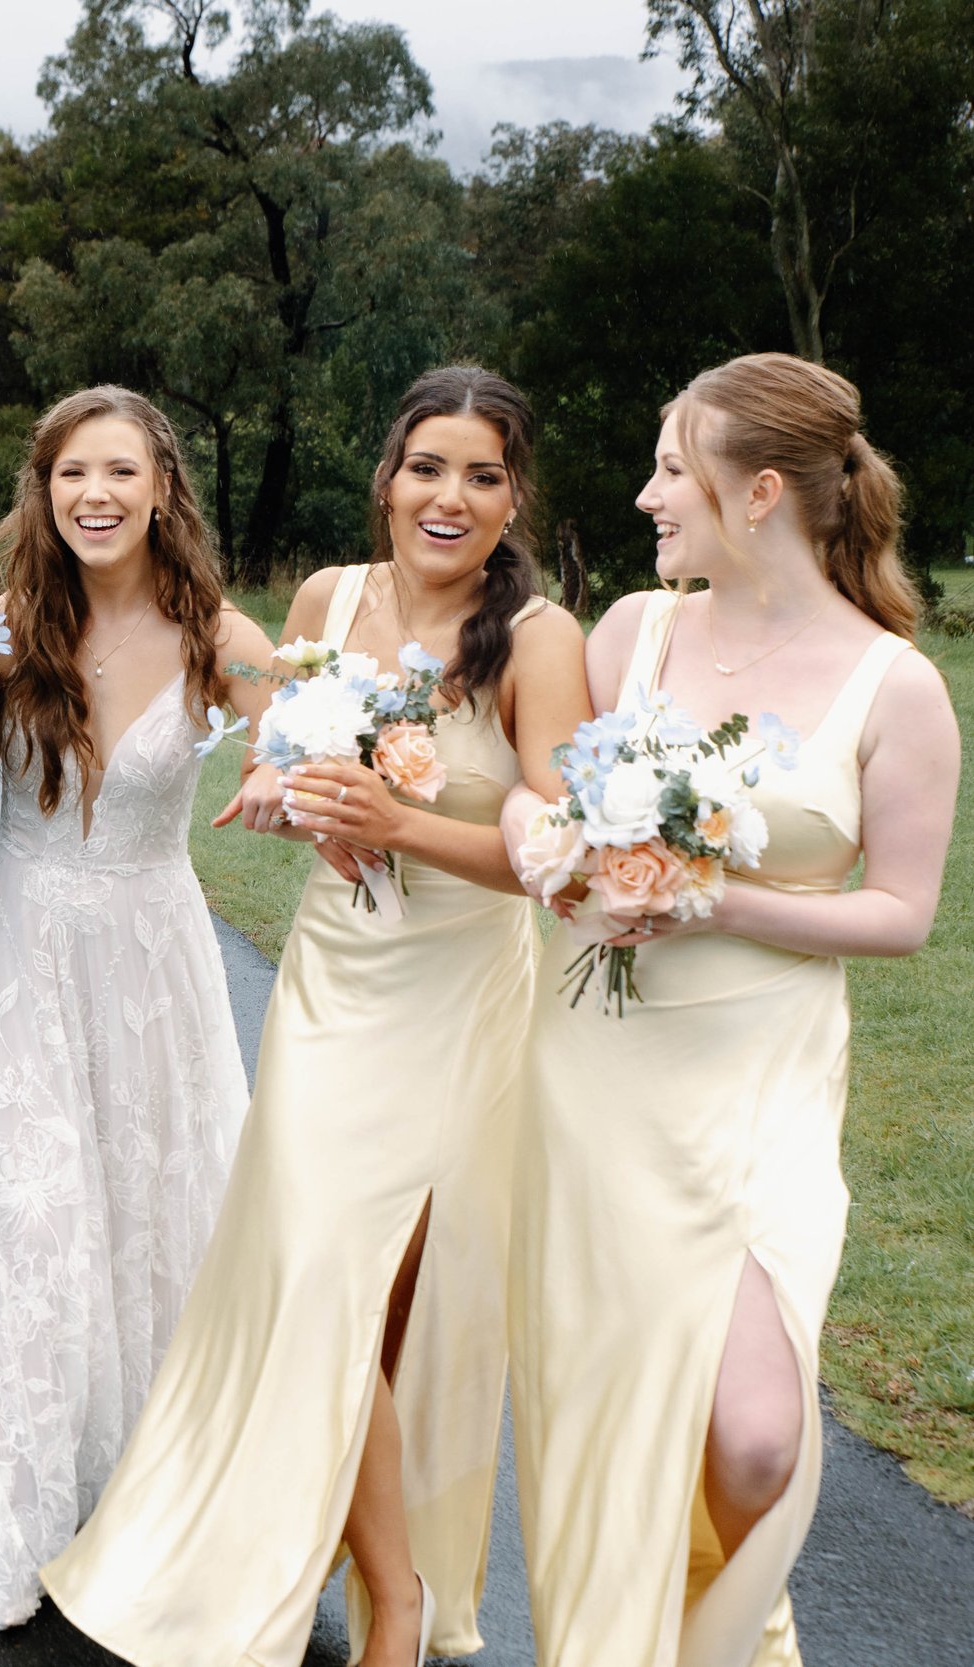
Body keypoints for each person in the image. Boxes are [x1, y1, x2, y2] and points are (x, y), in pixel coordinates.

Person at [44, 367, 593, 1667]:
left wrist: (399, 819)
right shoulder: (326, 600)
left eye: (481, 475)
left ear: (515, 497)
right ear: (388, 475)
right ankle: (390, 1594)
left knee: (389, 1303)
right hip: (333, 987)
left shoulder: (540, 639)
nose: (447, 496)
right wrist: (286, 795)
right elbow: (295, 760)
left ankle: (381, 1573)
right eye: (426, 467)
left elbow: (566, 857)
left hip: (462, 998)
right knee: (316, 1275)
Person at [501, 353, 956, 1665]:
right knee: (618, 1422)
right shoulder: (633, 632)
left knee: (755, 1434)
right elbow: (541, 800)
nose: (648, 495)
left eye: (668, 469)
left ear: (759, 493)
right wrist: (571, 859)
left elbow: (902, 911)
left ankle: (724, 1638)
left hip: (761, 1080)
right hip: (602, 1067)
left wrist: (716, 899)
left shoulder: (895, 686)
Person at [0, 385, 277, 1627]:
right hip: (22, 943)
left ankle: (148, 1480)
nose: (94, 495)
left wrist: (290, 777)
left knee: (155, 1201)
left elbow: (304, 752)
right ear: (41, 493)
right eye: (70, 475)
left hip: (151, 953)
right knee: (25, 1203)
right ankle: (7, 1491)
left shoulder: (226, 637)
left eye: (118, 471)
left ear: (163, 485)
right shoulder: (3, 630)